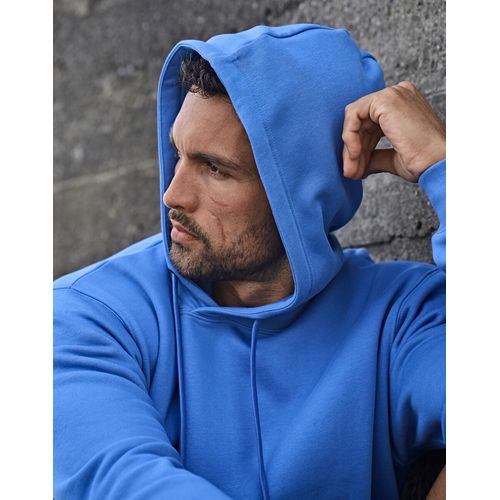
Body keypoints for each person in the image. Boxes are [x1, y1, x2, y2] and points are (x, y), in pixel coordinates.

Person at [54, 24, 445, 499]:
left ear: (299, 194)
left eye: (214, 168)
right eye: (178, 155)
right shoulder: (86, 314)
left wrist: (444, 166)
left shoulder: (402, 317)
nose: (173, 194)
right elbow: (120, 481)